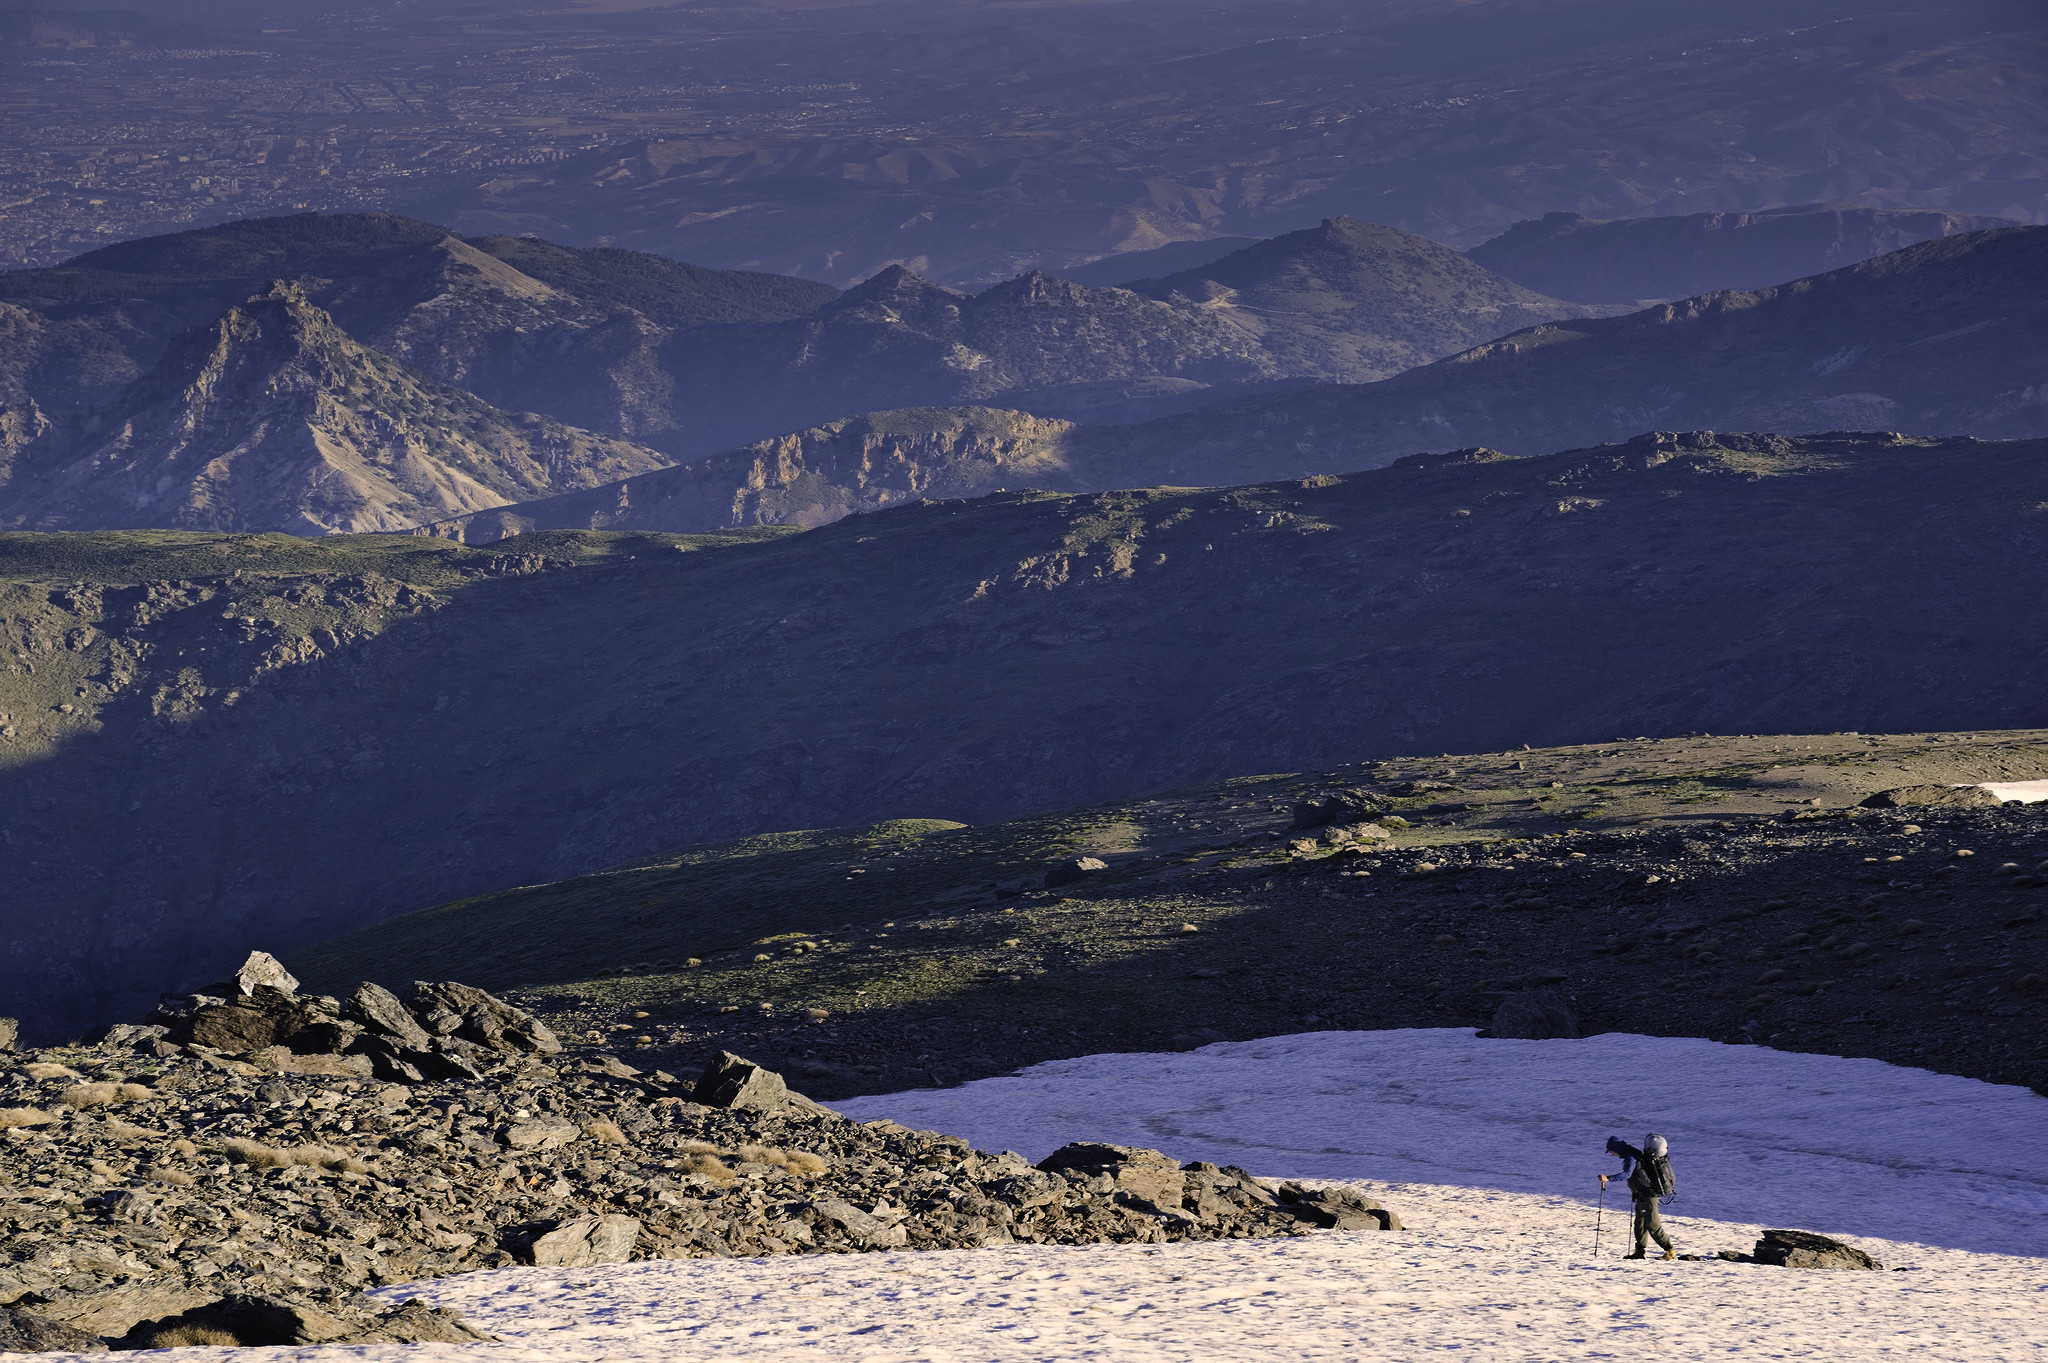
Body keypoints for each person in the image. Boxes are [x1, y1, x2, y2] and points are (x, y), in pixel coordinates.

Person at [1602, 1132, 1677, 1260]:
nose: (1612, 1154)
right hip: (1642, 1195)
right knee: (1640, 1225)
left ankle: (1670, 1251)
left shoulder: (1631, 1157)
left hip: (1649, 1196)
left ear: (1617, 1149)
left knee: (1653, 1225)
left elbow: (1627, 1174)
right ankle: (1639, 1252)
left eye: (1612, 1151)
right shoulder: (1631, 1154)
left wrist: (1608, 1178)